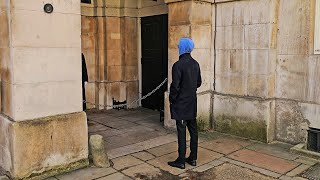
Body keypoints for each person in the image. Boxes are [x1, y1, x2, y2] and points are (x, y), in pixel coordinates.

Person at [168, 38, 202, 169]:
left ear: (182, 48)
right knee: (193, 131)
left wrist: (172, 98)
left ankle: (181, 160)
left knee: (181, 132)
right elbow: (198, 82)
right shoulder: (196, 64)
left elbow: (175, 86)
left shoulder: (178, 65)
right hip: (192, 103)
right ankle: (193, 158)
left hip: (181, 104)